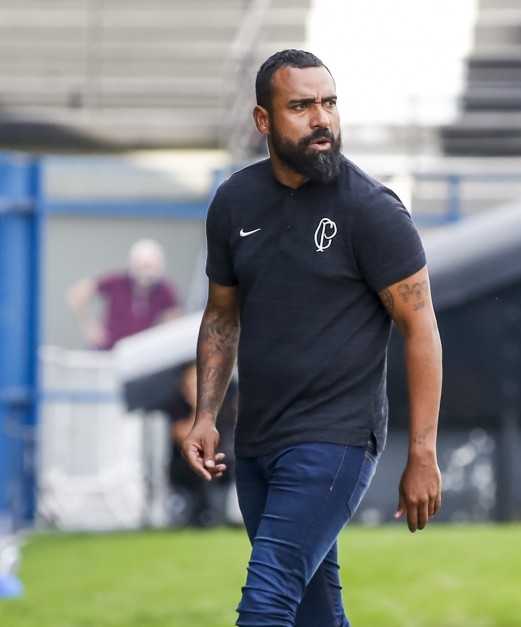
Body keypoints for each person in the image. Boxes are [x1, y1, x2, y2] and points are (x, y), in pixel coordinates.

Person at [182, 49, 443, 626]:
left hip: (335, 440)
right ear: (263, 120)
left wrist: (422, 453)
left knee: (266, 604)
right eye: (300, 106)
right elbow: (222, 316)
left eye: (328, 103)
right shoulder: (234, 202)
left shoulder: (372, 211)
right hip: (256, 442)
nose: (321, 118)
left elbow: (420, 329)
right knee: (314, 615)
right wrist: (206, 415)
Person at [66, 238, 181, 350]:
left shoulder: (164, 290)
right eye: (143, 267)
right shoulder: (117, 281)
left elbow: (174, 323)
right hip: (110, 350)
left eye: (152, 267)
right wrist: (90, 327)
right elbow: (77, 294)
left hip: (142, 352)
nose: (148, 273)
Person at [165, 361, 236, 527]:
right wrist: (200, 410)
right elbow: (182, 437)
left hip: (223, 462)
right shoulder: (177, 409)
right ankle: (206, 516)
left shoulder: (227, 408)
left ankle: (220, 514)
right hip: (188, 467)